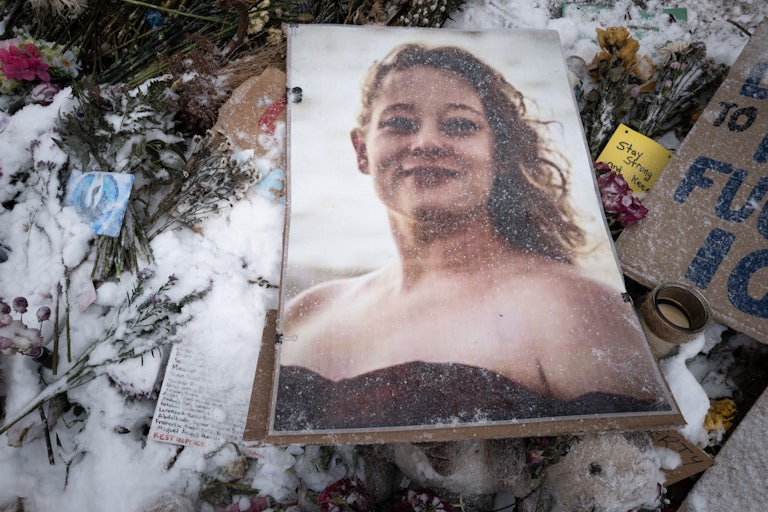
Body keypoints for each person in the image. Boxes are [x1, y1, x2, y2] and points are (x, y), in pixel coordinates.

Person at [274, 43, 669, 431]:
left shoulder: (574, 307)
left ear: (498, 153)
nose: (427, 142)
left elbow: (623, 464)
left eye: (460, 125)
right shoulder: (307, 309)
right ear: (361, 150)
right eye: (399, 122)